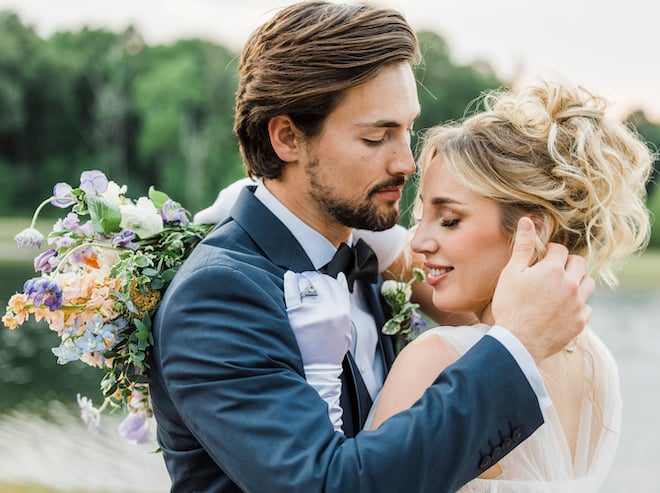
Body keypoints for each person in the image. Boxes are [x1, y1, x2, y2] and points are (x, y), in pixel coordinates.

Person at [148, 2, 594, 492]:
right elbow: (326, 484)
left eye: (406, 130)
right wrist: (517, 347)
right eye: (377, 136)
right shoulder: (217, 294)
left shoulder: (373, 258)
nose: (406, 162)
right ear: (287, 138)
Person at [360, 79, 652, 492]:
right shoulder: (596, 363)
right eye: (421, 214)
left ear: (531, 232)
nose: (420, 241)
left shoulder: (437, 359)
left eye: (449, 220)